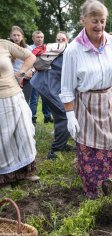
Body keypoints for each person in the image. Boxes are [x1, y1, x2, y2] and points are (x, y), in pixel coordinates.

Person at [59, 0, 112, 199]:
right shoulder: (73, 50)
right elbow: (66, 87)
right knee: (90, 150)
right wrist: (70, 116)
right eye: (94, 21)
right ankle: (94, 191)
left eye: (102, 21)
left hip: (110, 100)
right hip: (87, 104)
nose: (99, 26)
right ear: (83, 20)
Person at [0, 39, 39, 185]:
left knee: (25, 133)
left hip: (15, 95)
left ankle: (26, 172)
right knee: (3, 140)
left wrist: (21, 72)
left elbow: (31, 56)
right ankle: (6, 178)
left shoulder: (4, 44)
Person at [31, 31, 73, 160]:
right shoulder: (58, 50)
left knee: (58, 114)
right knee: (65, 114)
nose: (60, 41)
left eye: (63, 39)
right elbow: (38, 64)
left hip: (51, 86)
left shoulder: (69, 52)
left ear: (68, 40)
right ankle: (55, 150)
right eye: (58, 39)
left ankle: (63, 142)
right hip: (46, 85)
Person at [29, 30, 53, 125]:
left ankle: (47, 116)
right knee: (34, 98)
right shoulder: (29, 49)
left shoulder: (47, 48)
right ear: (33, 38)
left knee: (46, 97)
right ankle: (32, 117)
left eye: (41, 37)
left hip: (45, 75)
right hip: (34, 75)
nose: (40, 39)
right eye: (37, 37)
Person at [9, 26, 33, 103]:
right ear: (10, 36)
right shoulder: (6, 48)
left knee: (25, 102)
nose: (16, 37)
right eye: (14, 35)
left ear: (22, 36)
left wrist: (31, 71)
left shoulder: (28, 49)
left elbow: (35, 64)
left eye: (18, 35)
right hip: (12, 79)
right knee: (13, 102)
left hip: (26, 79)